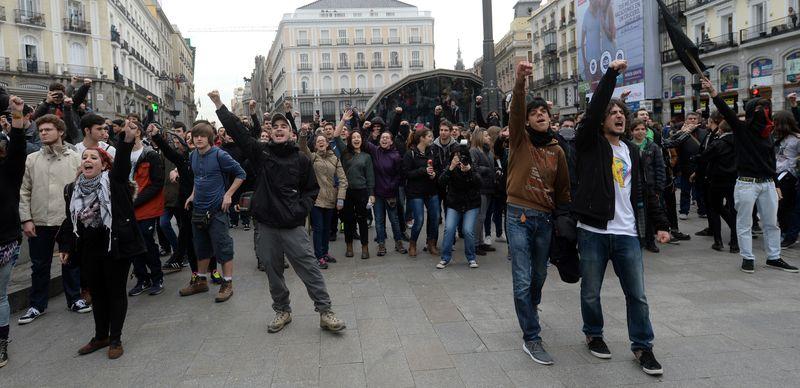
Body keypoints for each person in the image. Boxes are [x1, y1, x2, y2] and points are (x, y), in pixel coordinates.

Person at [210, 90, 346, 333]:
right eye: (276, 127)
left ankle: (325, 311)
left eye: (284, 126)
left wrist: (300, 209)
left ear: (291, 133)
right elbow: (238, 132)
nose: (280, 129)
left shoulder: (301, 160)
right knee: (273, 272)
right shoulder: (261, 153)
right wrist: (219, 104)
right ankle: (282, 310)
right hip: (267, 226)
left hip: (293, 226)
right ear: (271, 133)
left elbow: (311, 190)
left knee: (310, 268)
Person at [573, 59, 670, 376]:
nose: (618, 117)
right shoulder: (590, 143)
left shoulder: (633, 150)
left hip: (627, 232)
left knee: (637, 296)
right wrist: (611, 75)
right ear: (601, 120)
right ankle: (594, 334)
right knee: (591, 290)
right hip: (593, 230)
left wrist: (661, 224)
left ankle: (643, 346)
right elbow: (593, 109)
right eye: (612, 113)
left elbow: (643, 191)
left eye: (622, 114)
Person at [56, 120, 146, 360]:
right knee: (97, 293)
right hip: (89, 248)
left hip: (116, 245)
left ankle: (115, 338)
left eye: (94, 158)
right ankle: (100, 336)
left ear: (105, 164)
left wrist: (126, 140)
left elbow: (123, 164)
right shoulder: (72, 189)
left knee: (115, 292)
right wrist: (65, 246)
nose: (88, 160)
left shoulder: (114, 182)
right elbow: (70, 219)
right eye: (85, 157)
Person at [506, 62, 571, 366]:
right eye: (534, 113)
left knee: (540, 274)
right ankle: (531, 336)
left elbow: (563, 190)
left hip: (544, 219)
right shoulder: (520, 140)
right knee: (522, 278)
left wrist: (565, 220)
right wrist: (520, 82)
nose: (539, 114)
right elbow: (516, 111)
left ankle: (530, 308)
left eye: (543, 111)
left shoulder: (557, 149)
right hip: (518, 215)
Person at [703, 76, 799, 273]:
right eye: (761, 109)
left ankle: (774, 257)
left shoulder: (768, 134)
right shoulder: (742, 129)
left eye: (767, 108)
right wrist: (713, 92)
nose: (765, 113)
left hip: (767, 184)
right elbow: (727, 113)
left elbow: (770, 162)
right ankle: (748, 257)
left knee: (772, 223)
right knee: (744, 222)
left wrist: (776, 184)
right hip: (746, 183)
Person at [18, 114, 88, 325]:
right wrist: (26, 219)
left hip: (68, 220)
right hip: (39, 220)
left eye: (48, 129)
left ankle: (75, 299)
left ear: (60, 132)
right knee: (39, 265)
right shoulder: (32, 159)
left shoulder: (76, 158)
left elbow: (84, 188)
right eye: (41, 130)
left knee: (71, 263)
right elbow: (24, 191)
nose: (43, 133)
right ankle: (37, 305)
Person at [178, 122, 245, 302]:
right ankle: (201, 281)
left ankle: (227, 283)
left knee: (223, 247)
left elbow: (241, 174)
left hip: (217, 211)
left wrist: (228, 195)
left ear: (210, 138)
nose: (199, 138)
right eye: (196, 135)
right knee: (201, 247)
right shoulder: (193, 156)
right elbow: (198, 179)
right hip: (198, 209)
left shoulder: (220, 154)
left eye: (203, 136)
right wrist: (192, 195)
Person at [0, 95, 29, 367]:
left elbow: (19, 148)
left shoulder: (8, 171)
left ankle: (1, 344)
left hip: (3, 242)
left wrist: (17, 117)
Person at [126, 122, 166, 296]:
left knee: (147, 241)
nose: (127, 129)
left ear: (139, 132)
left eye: (132, 127)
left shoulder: (150, 154)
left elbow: (156, 184)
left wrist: (135, 200)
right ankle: (142, 278)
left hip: (146, 205)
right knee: (132, 244)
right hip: (127, 207)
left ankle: (157, 278)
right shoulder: (121, 153)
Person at [299, 129, 348, 269]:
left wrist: (340, 198)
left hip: (331, 199)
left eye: (323, 141)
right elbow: (302, 147)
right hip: (316, 199)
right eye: (318, 141)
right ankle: (318, 256)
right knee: (319, 228)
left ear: (327, 144)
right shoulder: (312, 157)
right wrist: (303, 135)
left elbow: (343, 180)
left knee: (327, 229)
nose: (321, 142)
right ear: (315, 145)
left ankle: (325, 253)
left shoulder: (335, 159)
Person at [695, 119, 738, 252]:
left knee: (715, 208)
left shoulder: (717, 143)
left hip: (717, 179)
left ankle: (718, 241)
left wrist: (696, 158)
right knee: (733, 209)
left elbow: (704, 157)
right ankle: (734, 243)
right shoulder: (739, 143)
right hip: (734, 179)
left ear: (721, 129)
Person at [364, 130, 407, 256]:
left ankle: (398, 243)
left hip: (390, 194)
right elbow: (364, 141)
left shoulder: (396, 155)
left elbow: (400, 175)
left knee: (394, 220)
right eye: (382, 137)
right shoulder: (375, 151)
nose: (384, 139)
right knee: (379, 220)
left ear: (391, 141)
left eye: (387, 138)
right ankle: (381, 244)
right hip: (377, 193)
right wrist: (367, 130)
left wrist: (392, 186)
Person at [437, 153, 481, 269]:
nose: (460, 160)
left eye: (462, 158)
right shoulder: (451, 167)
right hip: (454, 203)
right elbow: (441, 182)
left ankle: (471, 257)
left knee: (467, 230)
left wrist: (469, 170)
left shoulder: (472, 166)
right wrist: (451, 167)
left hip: (471, 203)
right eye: (457, 157)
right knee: (449, 228)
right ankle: (445, 258)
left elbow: (479, 183)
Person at [336, 129, 375, 259]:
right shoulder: (345, 153)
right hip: (347, 191)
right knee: (348, 221)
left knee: (362, 220)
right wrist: (343, 120)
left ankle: (365, 247)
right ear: (350, 140)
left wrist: (371, 194)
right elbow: (336, 136)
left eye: (359, 137)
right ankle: (349, 246)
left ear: (362, 140)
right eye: (354, 137)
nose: (356, 139)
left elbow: (370, 177)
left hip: (362, 191)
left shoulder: (367, 156)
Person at [403, 128, 441, 257]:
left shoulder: (433, 150)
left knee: (435, 218)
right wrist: (423, 171)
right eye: (430, 136)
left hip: (431, 190)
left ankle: (431, 243)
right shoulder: (410, 153)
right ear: (422, 138)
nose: (432, 138)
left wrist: (434, 174)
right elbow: (406, 174)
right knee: (418, 220)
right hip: (416, 192)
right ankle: (413, 244)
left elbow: (436, 168)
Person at [629, 119, 666, 253]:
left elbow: (660, 168)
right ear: (632, 131)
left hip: (650, 186)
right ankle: (637, 239)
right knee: (635, 213)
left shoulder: (653, 147)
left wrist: (659, 188)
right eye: (637, 129)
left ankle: (650, 241)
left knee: (650, 213)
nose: (640, 132)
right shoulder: (628, 146)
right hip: (633, 186)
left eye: (643, 129)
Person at [771, 111, 800, 244]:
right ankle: (784, 230)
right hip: (777, 174)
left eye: (775, 122)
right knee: (779, 206)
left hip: (788, 176)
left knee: (785, 206)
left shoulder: (796, 139)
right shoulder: (777, 137)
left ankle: (788, 233)